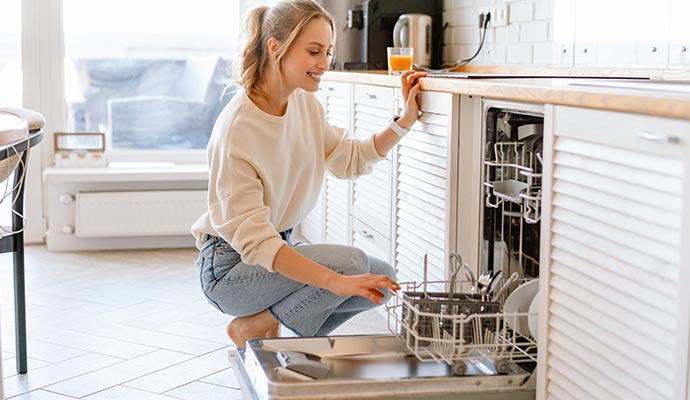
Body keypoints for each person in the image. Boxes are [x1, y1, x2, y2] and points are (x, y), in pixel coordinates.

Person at [192, 0, 426, 348]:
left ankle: (264, 323)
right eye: (314, 51)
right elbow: (258, 242)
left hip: (278, 244)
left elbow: (351, 158)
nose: (324, 63)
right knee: (349, 265)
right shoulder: (237, 129)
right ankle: (253, 327)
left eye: (329, 52)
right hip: (229, 269)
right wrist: (333, 282)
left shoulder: (304, 104)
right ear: (276, 48)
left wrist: (404, 121)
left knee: (381, 280)